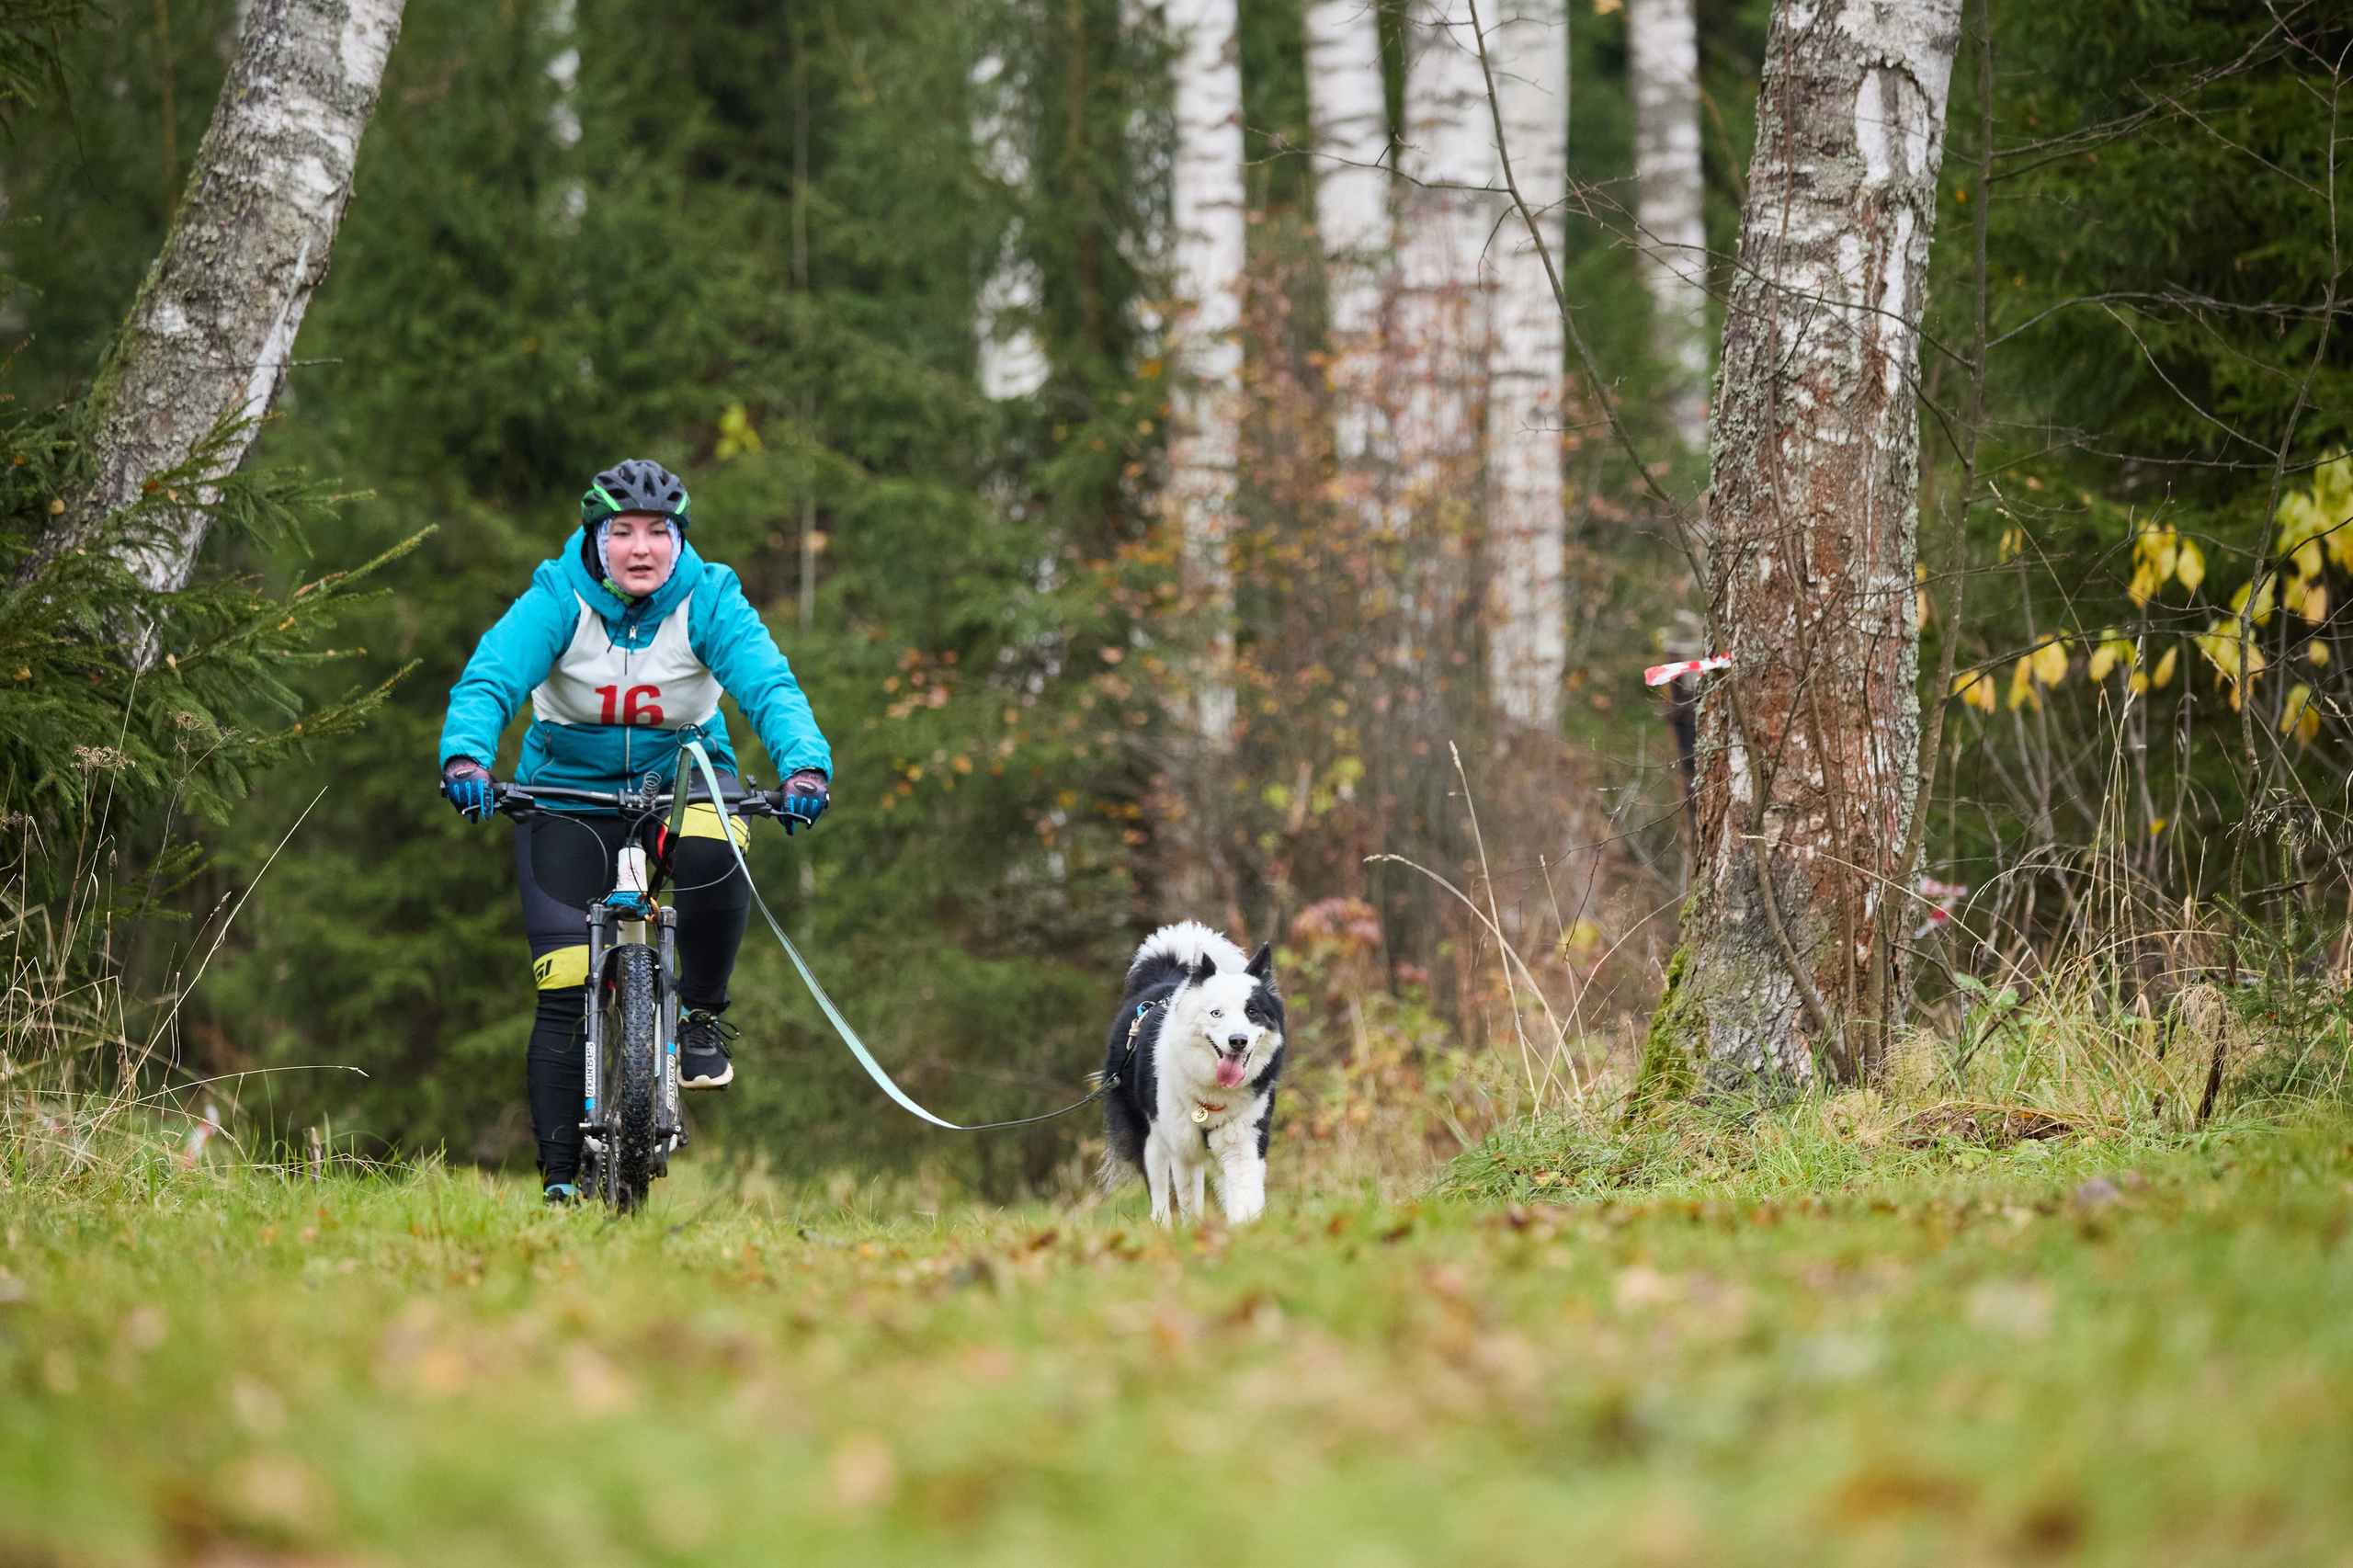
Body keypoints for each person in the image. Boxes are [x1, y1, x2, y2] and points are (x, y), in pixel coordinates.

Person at [438, 460, 831, 1202]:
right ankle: (559, 1183)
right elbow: (492, 677)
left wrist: (805, 768)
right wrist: (466, 756)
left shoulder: (709, 598)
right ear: (597, 537)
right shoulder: (558, 596)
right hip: (564, 794)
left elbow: (770, 685)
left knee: (719, 844)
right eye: (623, 532)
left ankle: (703, 1015)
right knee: (562, 986)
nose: (642, 548)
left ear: (680, 540)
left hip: (681, 782)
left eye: (659, 532)